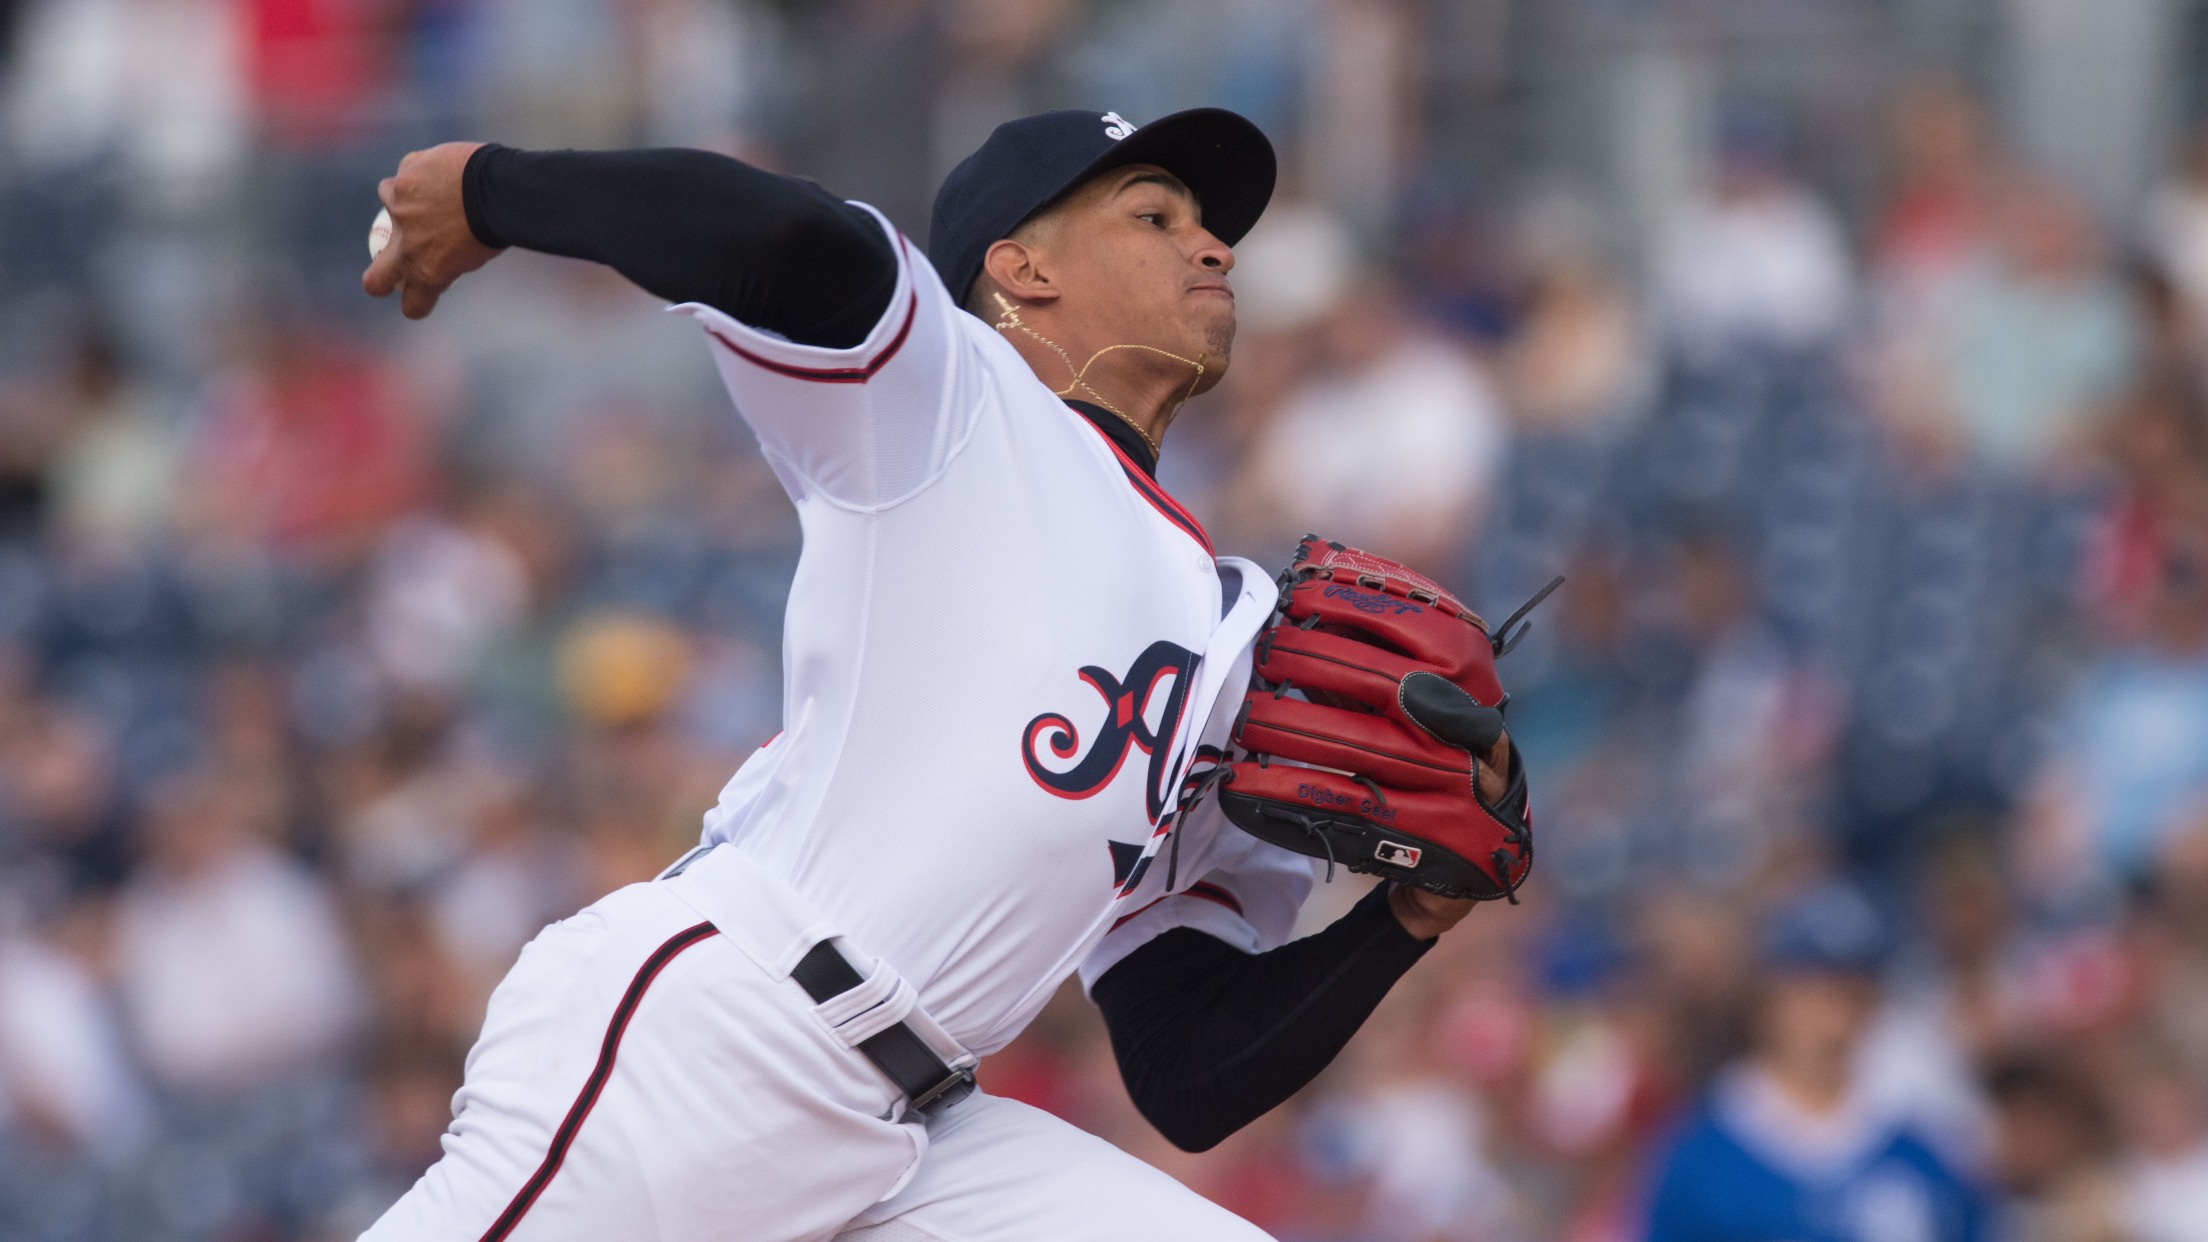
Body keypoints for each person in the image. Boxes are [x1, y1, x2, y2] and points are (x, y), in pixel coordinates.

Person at [356, 107, 1520, 1240]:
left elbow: (1187, 1070)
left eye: (1208, 226)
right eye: (1154, 216)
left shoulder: (1229, 642)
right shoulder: (951, 403)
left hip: (914, 1134)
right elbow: (789, 238)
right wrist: (491, 190)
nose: (1212, 245)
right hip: (719, 1041)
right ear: (1022, 270)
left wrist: (1406, 920)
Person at [1642, 882, 1991, 1242]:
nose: (1833, 1021)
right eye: (1811, 994)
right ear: (1767, 1000)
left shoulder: (1923, 1148)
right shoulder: (1702, 1154)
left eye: (1852, 995)